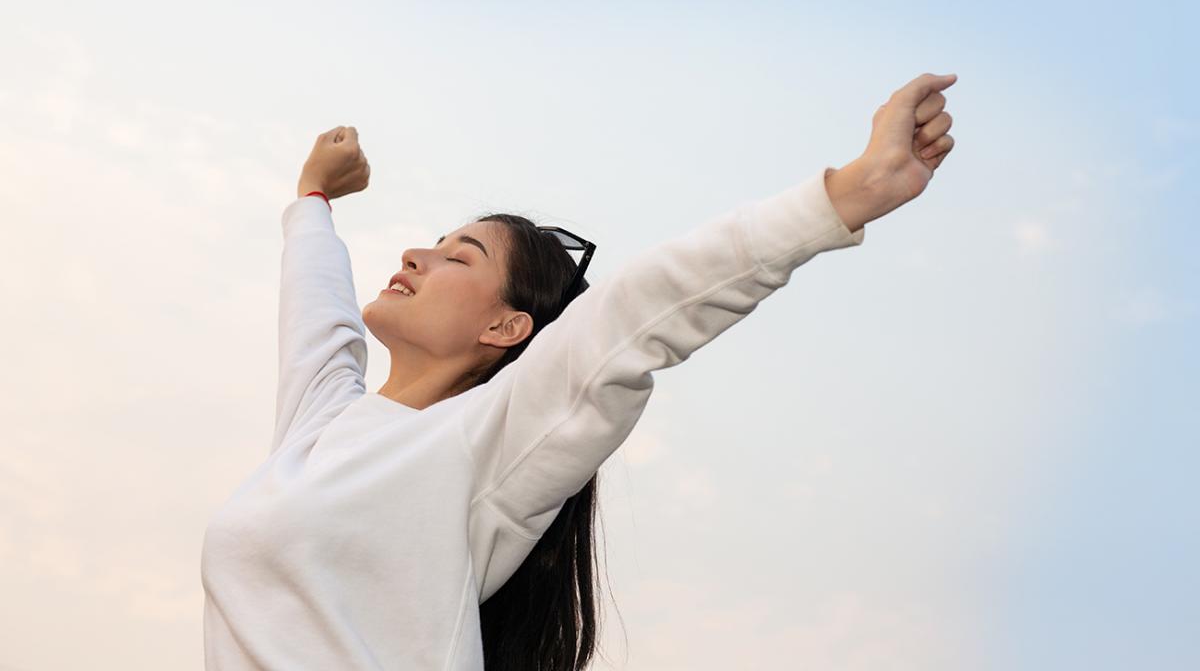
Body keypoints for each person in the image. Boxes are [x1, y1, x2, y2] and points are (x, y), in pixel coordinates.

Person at [200, 72, 958, 670]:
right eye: (433, 244)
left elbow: (636, 310)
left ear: (507, 327)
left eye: (460, 256)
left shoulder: (485, 445)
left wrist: (849, 194)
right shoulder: (319, 425)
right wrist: (313, 199)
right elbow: (316, 314)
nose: (415, 255)